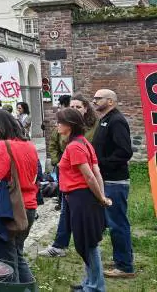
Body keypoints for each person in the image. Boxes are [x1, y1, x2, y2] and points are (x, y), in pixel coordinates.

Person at [0, 110, 39, 284]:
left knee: (6, 262)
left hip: (10, 210)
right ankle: (29, 289)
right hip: (28, 207)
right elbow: (34, 176)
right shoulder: (29, 145)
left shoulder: (3, 146)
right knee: (17, 255)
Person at [56, 108, 110, 291]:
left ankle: (96, 286)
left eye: (59, 122)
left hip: (81, 198)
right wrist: (101, 196)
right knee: (87, 242)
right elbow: (96, 172)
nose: (57, 125)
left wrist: (101, 197)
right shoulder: (84, 143)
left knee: (88, 243)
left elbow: (90, 176)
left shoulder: (75, 146)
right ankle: (90, 282)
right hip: (81, 198)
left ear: (69, 126)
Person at [41, 93, 99, 258]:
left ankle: (91, 249)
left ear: (86, 108)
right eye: (72, 106)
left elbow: (92, 164)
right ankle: (60, 244)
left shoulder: (91, 128)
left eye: (78, 107)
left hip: (82, 176)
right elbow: (53, 142)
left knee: (86, 230)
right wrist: (57, 160)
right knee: (65, 210)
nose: (74, 109)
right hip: (66, 169)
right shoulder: (64, 125)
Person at [91, 89, 135, 279]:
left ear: (110, 101)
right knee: (112, 222)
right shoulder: (104, 119)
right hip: (106, 179)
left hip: (115, 181)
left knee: (117, 223)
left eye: (98, 98)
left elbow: (125, 151)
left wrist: (101, 165)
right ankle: (121, 259)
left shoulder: (116, 121)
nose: (94, 101)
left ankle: (125, 266)